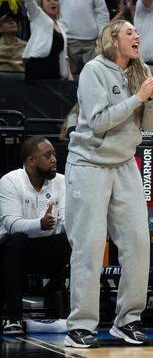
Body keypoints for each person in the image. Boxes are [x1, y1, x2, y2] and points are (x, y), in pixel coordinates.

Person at [64, 20, 153, 348]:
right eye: (129, 32)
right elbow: (97, 123)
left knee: (138, 242)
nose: (137, 36)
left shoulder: (141, 69)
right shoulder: (93, 70)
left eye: (137, 32)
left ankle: (129, 320)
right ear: (113, 40)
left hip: (124, 164)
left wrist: (151, 99)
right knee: (89, 247)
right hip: (89, 164)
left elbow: (151, 125)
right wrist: (138, 97)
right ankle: (80, 324)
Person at [0, 136, 70, 336]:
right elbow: (12, 225)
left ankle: (55, 291)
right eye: (47, 155)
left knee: (70, 240)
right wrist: (40, 225)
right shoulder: (10, 181)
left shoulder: (61, 181)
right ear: (31, 161)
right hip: (12, 250)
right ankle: (12, 318)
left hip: (46, 247)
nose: (54, 159)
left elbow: (65, 222)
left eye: (54, 154)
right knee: (18, 240)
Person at [22, 0, 72, 81]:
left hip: (55, 71)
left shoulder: (62, 26)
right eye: (48, 0)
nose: (53, 2)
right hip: (37, 68)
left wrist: (70, 76)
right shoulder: (38, 16)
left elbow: (65, 54)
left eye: (55, 0)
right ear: (41, 6)